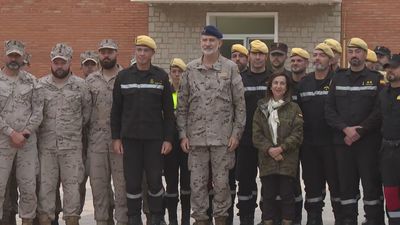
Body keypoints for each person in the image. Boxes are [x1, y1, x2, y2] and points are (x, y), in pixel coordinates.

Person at [176, 25, 246, 225]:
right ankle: (200, 220)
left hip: (223, 139)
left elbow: (239, 104)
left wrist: (236, 134)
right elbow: (182, 105)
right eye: (204, 40)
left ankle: (221, 220)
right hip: (196, 140)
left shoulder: (230, 68)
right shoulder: (190, 69)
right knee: (197, 186)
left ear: (219, 43)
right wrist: (182, 134)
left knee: (222, 185)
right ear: (200, 42)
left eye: (211, 41)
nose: (207, 44)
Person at [111, 35, 175, 225]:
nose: (141, 53)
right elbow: (116, 110)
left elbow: (169, 112)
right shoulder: (123, 77)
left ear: (152, 53)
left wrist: (168, 139)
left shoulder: (161, 76)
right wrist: (116, 138)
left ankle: (156, 217)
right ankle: (134, 218)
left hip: (154, 140)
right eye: (139, 50)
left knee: (155, 180)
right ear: (135, 52)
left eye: (146, 50)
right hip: (130, 139)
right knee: (132, 182)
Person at [325, 38, 385, 225]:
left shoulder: (376, 79)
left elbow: (379, 110)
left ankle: (373, 220)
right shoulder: (338, 78)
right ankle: (348, 220)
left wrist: (360, 131)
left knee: (371, 186)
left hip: (368, 143)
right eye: (350, 52)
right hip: (343, 143)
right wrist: (345, 129)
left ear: (365, 55)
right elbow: (329, 109)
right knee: (346, 188)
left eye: (358, 51)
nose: (354, 55)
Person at [37, 43, 91, 225]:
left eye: (63, 62)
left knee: (72, 193)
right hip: (47, 149)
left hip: (71, 149)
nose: (59, 66)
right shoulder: (41, 85)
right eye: (56, 62)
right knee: (46, 193)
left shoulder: (81, 86)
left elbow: (86, 115)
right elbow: (37, 114)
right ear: (51, 63)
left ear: (70, 62)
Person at [297, 43, 341, 225]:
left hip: (332, 144)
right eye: (315, 55)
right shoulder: (304, 82)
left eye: (322, 55)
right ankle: (314, 220)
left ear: (330, 60)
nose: (317, 59)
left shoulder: (337, 80)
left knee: (336, 186)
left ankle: (341, 219)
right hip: (309, 146)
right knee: (312, 187)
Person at [252, 72, 303, 225]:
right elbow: (256, 134)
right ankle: (268, 221)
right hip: (267, 159)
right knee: (268, 196)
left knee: (287, 195)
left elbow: (298, 133)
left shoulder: (294, 108)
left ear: (287, 88)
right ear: (270, 86)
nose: (278, 86)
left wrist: (281, 148)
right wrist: (270, 150)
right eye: (275, 83)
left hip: (287, 160)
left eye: (282, 83)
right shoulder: (261, 108)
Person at [0, 40, 42, 225]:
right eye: (11, 55)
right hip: (2, 142)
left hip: (27, 144)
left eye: (17, 55)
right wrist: (10, 133)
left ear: (23, 57)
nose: (14, 59)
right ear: (5, 55)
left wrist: (24, 133)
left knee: (28, 188)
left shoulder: (33, 82)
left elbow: (39, 112)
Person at [86, 39, 128, 225]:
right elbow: (84, 112)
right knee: (99, 188)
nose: (106, 55)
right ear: (98, 54)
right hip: (96, 143)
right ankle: (103, 221)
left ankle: (123, 221)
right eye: (103, 51)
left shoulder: (126, 76)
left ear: (116, 53)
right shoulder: (90, 80)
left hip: (121, 143)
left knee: (122, 187)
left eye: (110, 51)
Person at [236, 40, 269, 225]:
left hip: (267, 141)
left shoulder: (274, 78)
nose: (257, 57)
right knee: (245, 181)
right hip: (245, 140)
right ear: (249, 57)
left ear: (265, 57)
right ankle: (246, 217)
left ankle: (267, 218)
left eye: (261, 54)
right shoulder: (239, 79)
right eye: (254, 54)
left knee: (268, 181)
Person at [163, 58, 191, 225]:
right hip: (170, 141)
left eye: (180, 71)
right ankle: (173, 219)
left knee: (186, 183)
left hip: (186, 141)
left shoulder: (188, 91)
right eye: (174, 71)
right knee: (171, 182)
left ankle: (185, 219)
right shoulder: (166, 91)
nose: (177, 74)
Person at [378, 54, 400, 225]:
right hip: (387, 152)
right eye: (387, 68)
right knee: (391, 194)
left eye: (393, 67)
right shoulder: (383, 94)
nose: (389, 70)